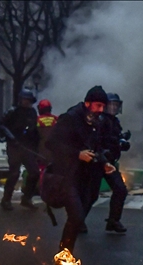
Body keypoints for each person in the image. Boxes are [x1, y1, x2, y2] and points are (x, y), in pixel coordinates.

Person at [46, 85, 108, 251]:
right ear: (88, 103)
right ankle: (64, 256)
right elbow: (51, 143)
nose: (101, 110)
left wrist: (104, 162)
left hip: (84, 176)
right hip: (66, 175)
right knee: (77, 216)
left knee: (77, 219)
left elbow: (97, 146)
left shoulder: (97, 122)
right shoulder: (70, 118)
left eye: (103, 106)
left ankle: (65, 255)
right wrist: (77, 154)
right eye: (98, 106)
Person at [0, 89, 40, 210]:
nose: (26, 102)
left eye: (29, 100)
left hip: (27, 147)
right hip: (14, 146)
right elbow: (2, 125)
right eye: (25, 100)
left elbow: (34, 130)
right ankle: (6, 200)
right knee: (14, 173)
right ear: (20, 100)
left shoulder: (32, 112)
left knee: (34, 173)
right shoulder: (12, 111)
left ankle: (27, 198)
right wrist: (12, 138)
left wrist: (36, 147)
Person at [97, 92, 130, 233]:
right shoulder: (99, 120)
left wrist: (122, 141)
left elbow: (114, 139)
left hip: (109, 163)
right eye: (112, 104)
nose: (114, 107)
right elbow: (95, 141)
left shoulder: (115, 122)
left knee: (120, 189)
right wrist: (103, 152)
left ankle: (113, 220)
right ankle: (77, 221)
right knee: (89, 194)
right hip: (97, 163)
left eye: (116, 105)